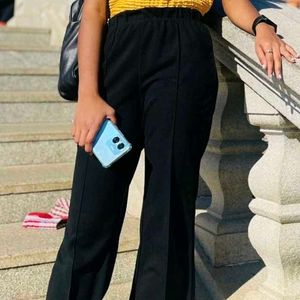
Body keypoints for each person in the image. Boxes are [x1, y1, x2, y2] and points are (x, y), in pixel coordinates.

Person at [45, 0, 299, 299]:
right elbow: (94, 11)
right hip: (119, 57)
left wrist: (262, 26)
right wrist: (88, 94)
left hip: (185, 57)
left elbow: (233, 2)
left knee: (169, 210)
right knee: (91, 208)